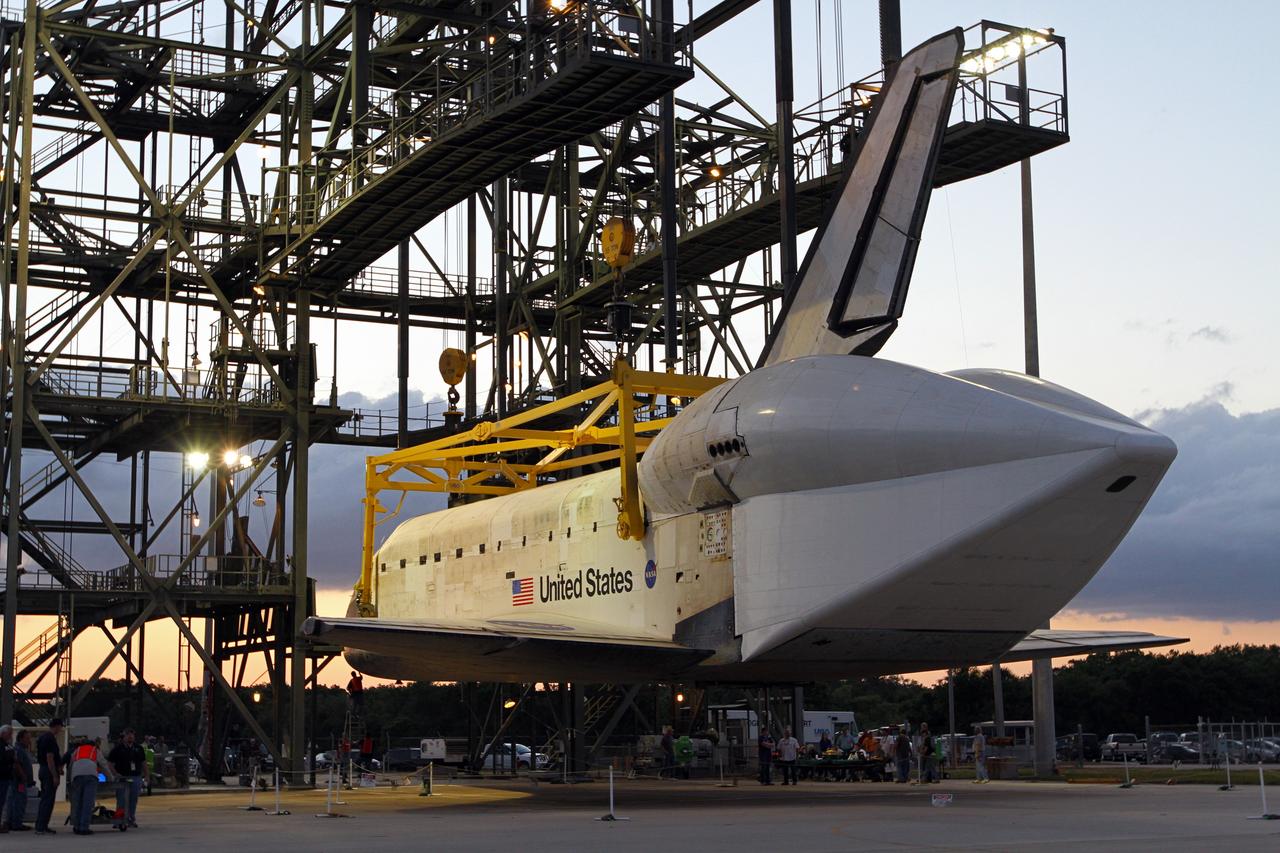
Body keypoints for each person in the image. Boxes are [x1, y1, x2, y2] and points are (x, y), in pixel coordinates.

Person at [67, 736, 113, 835]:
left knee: (77, 802)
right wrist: (110, 778)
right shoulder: (95, 750)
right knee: (87, 803)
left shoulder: (77, 750)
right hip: (90, 776)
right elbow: (104, 765)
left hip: (76, 776)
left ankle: (76, 826)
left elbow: (71, 765)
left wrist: (70, 779)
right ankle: (84, 828)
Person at [108, 728, 146, 828]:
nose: (130, 736)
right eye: (128, 735)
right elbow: (110, 764)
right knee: (121, 799)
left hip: (135, 777)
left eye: (132, 735)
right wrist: (115, 774)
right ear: (123, 737)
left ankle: (130, 819)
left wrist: (147, 776)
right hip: (122, 777)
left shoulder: (138, 748)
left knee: (133, 799)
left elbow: (143, 763)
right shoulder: (117, 749)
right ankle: (119, 820)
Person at [35, 719, 64, 835]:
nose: (61, 730)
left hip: (43, 769)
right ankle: (41, 826)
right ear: (57, 726)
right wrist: (54, 775)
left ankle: (41, 825)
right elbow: (50, 758)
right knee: (48, 800)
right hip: (48, 771)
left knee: (45, 799)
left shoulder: (42, 738)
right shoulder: (50, 739)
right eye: (60, 727)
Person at [9, 729, 34, 831]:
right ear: (21, 739)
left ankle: (14, 822)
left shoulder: (23, 750)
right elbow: (17, 763)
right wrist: (23, 775)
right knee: (19, 801)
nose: (29, 741)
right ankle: (16, 823)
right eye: (27, 738)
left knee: (18, 800)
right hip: (19, 781)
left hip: (22, 780)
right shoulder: (19, 750)